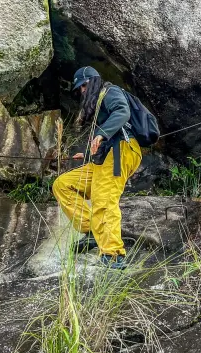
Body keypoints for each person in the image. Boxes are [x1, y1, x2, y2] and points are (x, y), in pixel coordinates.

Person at [52, 66, 142, 269]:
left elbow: (122, 111)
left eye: (84, 86)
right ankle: (92, 230)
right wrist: (87, 152)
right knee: (63, 184)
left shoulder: (110, 91)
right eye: (80, 89)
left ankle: (113, 255)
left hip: (122, 150)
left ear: (92, 81)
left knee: (103, 199)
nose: (82, 91)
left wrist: (101, 134)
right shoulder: (98, 106)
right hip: (106, 156)